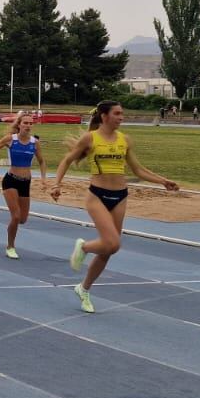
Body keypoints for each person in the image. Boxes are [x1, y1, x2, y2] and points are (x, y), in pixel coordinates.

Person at [51, 100, 179, 313]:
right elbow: (66, 160)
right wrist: (57, 185)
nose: (122, 117)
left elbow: (138, 170)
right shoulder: (90, 138)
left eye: (122, 114)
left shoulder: (125, 140)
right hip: (97, 196)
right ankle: (84, 247)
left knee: (108, 250)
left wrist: (163, 181)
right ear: (104, 116)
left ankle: (84, 289)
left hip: (120, 195)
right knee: (113, 243)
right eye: (117, 114)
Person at [0, 111, 46, 259]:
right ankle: (10, 246)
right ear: (19, 125)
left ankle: (12, 230)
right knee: (16, 216)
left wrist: (44, 179)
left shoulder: (34, 143)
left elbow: (42, 161)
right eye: (25, 123)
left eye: (31, 123)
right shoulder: (11, 139)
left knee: (23, 219)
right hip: (11, 180)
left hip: (26, 182)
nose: (28, 125)